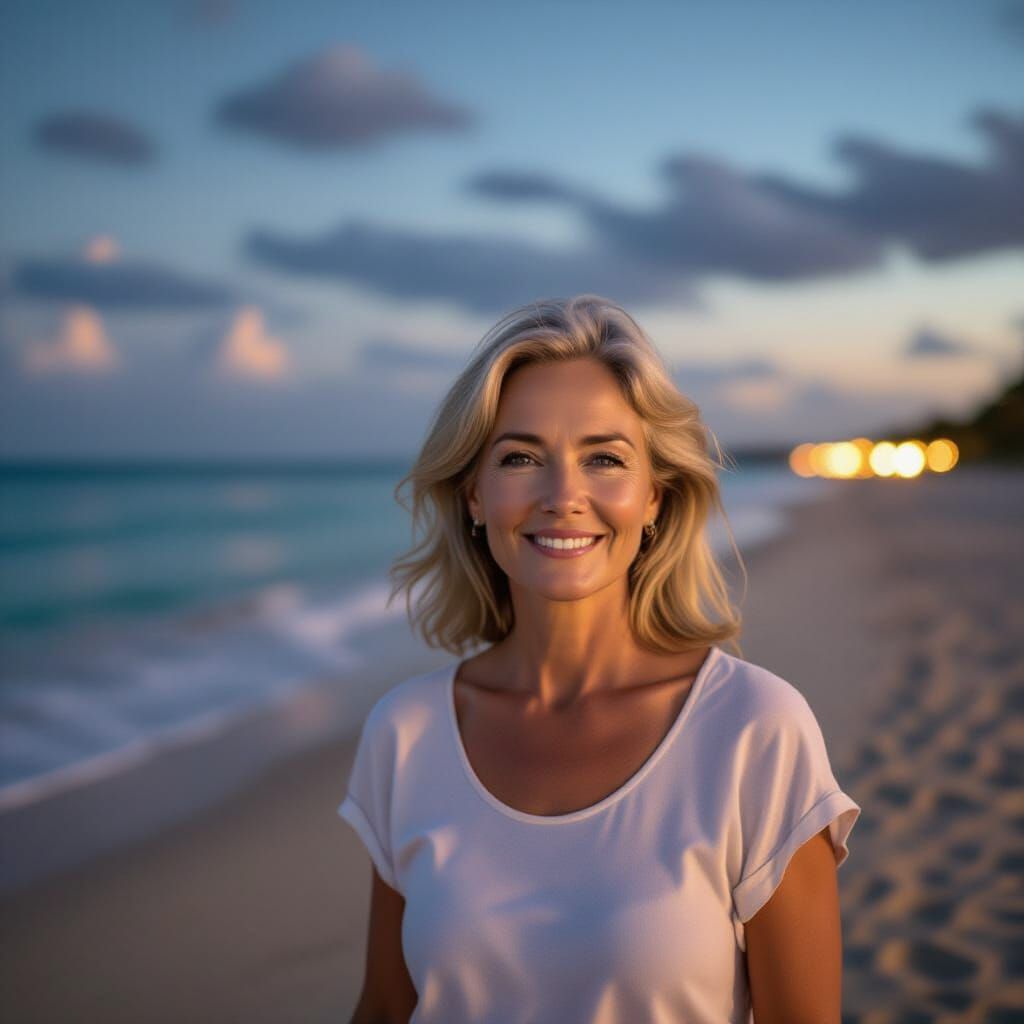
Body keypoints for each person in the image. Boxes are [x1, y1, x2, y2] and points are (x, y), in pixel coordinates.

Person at [337, 294, 861, 1023]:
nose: (563, 496)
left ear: (654, 498)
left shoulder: (755, 729)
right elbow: (386, 1008)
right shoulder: (406, 732)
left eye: (604, 459)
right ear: (474, 495)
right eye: (521, 458)